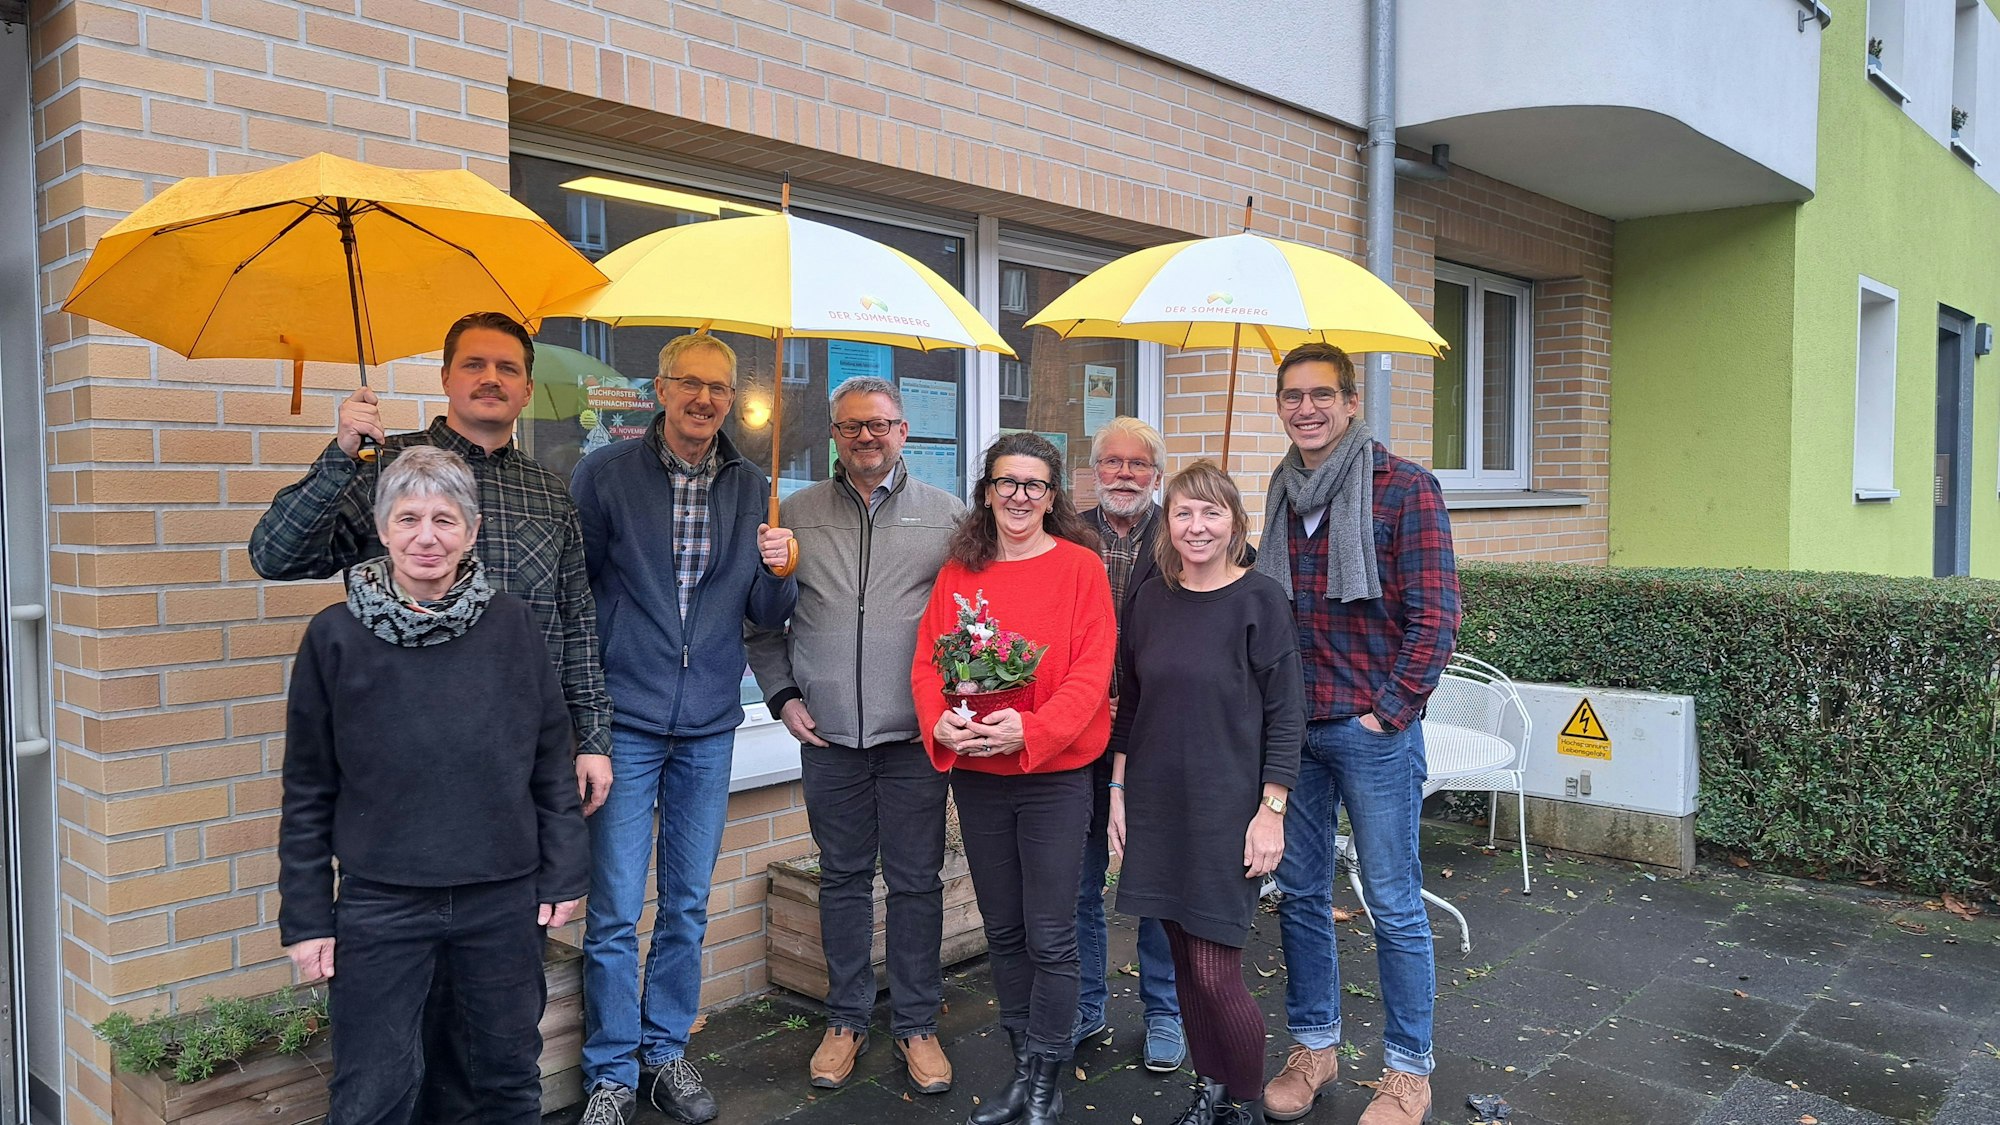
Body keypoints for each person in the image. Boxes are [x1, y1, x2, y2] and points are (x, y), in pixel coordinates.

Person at [249, 311, 611, 1125]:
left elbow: (577, 623)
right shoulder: (385, 468)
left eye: (508, 367)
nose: (426, 535)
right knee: (380, 1083)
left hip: (500, 839)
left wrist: (592, 742)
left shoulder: (548, 493)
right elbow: (275, 553)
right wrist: (342, 453)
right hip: (390, 874)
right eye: (474, 364)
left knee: (492, 1072)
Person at [573, 332, 797, 1125]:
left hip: (708, 721)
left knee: (687, 904)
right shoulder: (604, 475)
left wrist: (780, 568)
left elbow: (766, 615)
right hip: (626, 720)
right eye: (690, 384)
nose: (705, 399)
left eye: (719, 389)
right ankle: (609, 1070)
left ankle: (665, 1050)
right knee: (613, 909)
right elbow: (581, 594)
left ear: (733, 401)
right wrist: (586, 713)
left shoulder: (750, 486)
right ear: (661, 389)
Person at [1257, 344, 1460, 1125]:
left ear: (1348, 403)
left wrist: (1390, 711)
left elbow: (1437, 616)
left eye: (1320, 395)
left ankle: (1408, 1070)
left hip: (1371, 731)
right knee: (1301, 895)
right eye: (1291, 397)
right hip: (1292, 735)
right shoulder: (1279, 489)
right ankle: (1315, 1046)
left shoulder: (1403, 486)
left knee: (1393, 900)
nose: (1305, 408)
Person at [745, 376, 964, 1094]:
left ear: (905, 431)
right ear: (833, 434)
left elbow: (971, 619)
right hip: (831, 738)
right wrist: (781, 696)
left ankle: (917, 1024)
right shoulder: (795, 515)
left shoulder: (948, 517)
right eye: (850, 426)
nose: (866, 437)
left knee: (914, 883)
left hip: (912, 739)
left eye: (879, 424)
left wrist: (957, 700)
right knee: (841, 879)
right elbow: (761, 622)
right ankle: (845, 1018)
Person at [912, 432, 1115, 1125]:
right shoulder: (959, 573)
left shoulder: (1082, 569)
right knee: (1002, 928)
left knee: (1050, 931)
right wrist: (937, 720)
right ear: (988, 492)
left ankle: (1045, 1079)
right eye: (1007, 482)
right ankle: (1021, 1065)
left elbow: (1093, 673)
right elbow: (925, 664)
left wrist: (1033, 728)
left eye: (1034, 484)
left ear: (1052, 496)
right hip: (978, 774)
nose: (1019, 496)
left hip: (1054, 775)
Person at [1107, 460, 1302, 1125]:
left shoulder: (1261, 600)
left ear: (1234, 523)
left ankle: (1243, 1101)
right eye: (1184, 512)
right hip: (1157, 803)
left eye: (1211, 512)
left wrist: (1271, 812)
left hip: (1228, 809)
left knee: (1217, 970)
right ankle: (1209, 1089)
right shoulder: (1150, 599)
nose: (1196, 525)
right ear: (1169, 524)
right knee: (1185, 966)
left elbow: (1287, 715)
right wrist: (1117, 791)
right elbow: (1130, 705)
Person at [1072, 417, 1184, 1071]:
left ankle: (1164, 1009)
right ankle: (1087, 1005)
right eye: (1111, 462)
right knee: (1081, 880)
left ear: (1157, 474)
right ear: (1094, 471)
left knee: (1156, 880)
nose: (1123, 474)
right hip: (1081, 733)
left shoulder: (1186, 533)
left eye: (1138, 464)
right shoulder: (1069, 533)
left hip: (1158, 733)